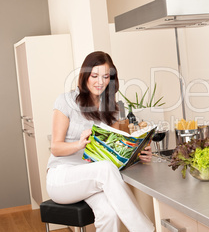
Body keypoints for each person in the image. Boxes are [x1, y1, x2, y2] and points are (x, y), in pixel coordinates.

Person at [46, 51, 155, 231]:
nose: (100, 82)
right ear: (85, 76)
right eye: (94, 76)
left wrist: (138, 153)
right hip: (61, 177)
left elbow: (116, 151)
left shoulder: (111, 107)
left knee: (109, 214)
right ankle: (145, 229)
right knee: (104, 169)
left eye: (105, 76)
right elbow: (55, 148)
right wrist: (79, 144)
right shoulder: (65, 101)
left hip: (92, 177)